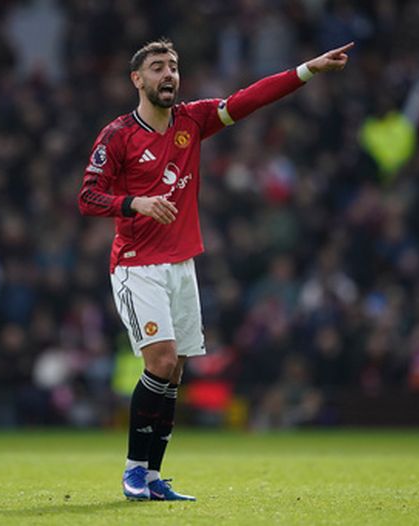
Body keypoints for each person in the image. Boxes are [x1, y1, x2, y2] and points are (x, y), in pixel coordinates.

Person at [78, 37, 353, 502]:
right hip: (136, 265)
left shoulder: (192, 120)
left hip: (182, 265)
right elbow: (87, 197)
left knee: (175, 372)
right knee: (160, 362)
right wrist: (135, 202)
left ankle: (152, 476)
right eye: (158, 67)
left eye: (174, 67)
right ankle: (132, 470)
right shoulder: (117, 135)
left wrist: (307, 69)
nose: (169, 75)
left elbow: (249, 99)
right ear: (137, 79)